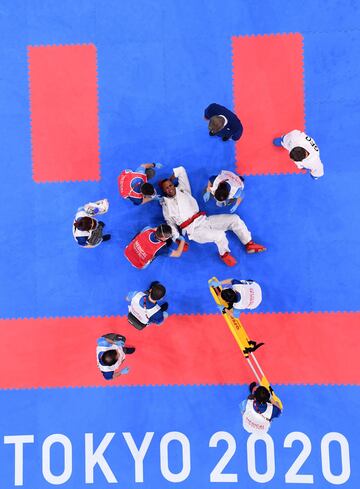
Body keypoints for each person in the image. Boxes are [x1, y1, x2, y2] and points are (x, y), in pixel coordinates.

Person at [160, 166, 266, 267]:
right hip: (193, 230)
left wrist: (169, 179)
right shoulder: (166, 205)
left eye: (170, 185)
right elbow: (170, 224)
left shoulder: (183, 189)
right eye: (166, 188)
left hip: (204, 220)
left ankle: (249, 243)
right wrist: (177, 238)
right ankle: (224, 254)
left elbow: (181, 171)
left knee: (234, 219)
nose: (170, 188)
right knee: (220, 235)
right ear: (164, 191)